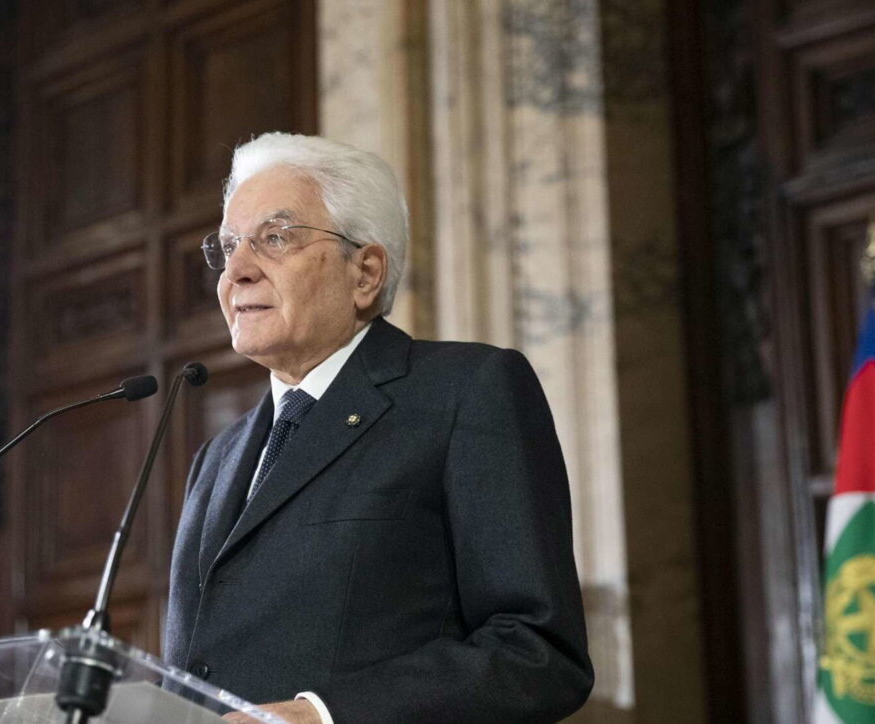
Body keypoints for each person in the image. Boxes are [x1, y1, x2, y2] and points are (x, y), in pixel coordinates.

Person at [164, 133, 593, 724]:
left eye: (275, 238)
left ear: (365, 272)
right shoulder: (216, 459)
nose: (236, 271)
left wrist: (320, 717)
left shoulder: (465, 392)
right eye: (229, 245)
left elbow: (538, 653)